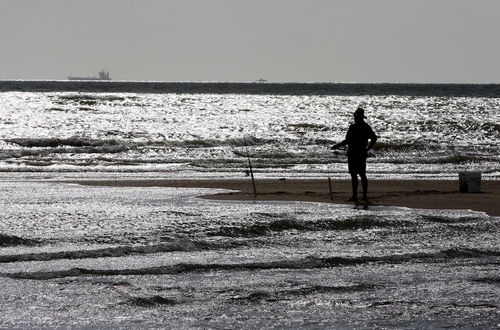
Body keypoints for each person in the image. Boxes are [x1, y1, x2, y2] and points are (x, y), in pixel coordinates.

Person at [332, 107, 377, 202]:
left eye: (355, 116)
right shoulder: (366, 127)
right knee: (361, 174)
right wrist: (368, 148)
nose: (354, 118)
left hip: (353, 153)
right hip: (360, 153)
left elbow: (347, 140)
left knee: (355, 175)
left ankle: (355, 196)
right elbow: (374, 138)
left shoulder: (353, 127)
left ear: (357, 117)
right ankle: (363, 196)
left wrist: (337, 145)